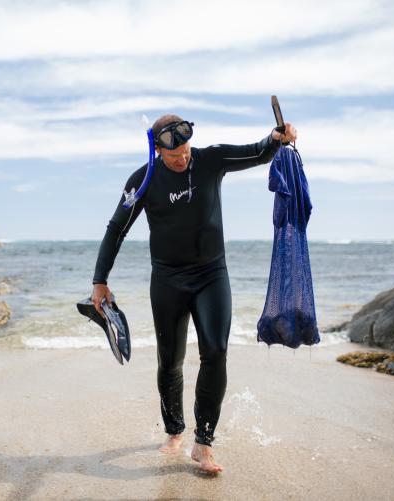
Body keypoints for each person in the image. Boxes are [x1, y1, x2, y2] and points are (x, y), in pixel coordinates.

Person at [90, 114, 297, 474]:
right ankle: (174, 430)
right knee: (169, 360)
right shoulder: (143, 180)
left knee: (215, 351)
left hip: (211, 275)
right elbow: (116, 228)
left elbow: (257, 152)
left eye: (185, 147)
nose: (183, 156)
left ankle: (203, 443)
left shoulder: (210, 159)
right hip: (167, 280)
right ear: (157, 149)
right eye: (174, 153)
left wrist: (277, 138)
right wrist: (100, 280)